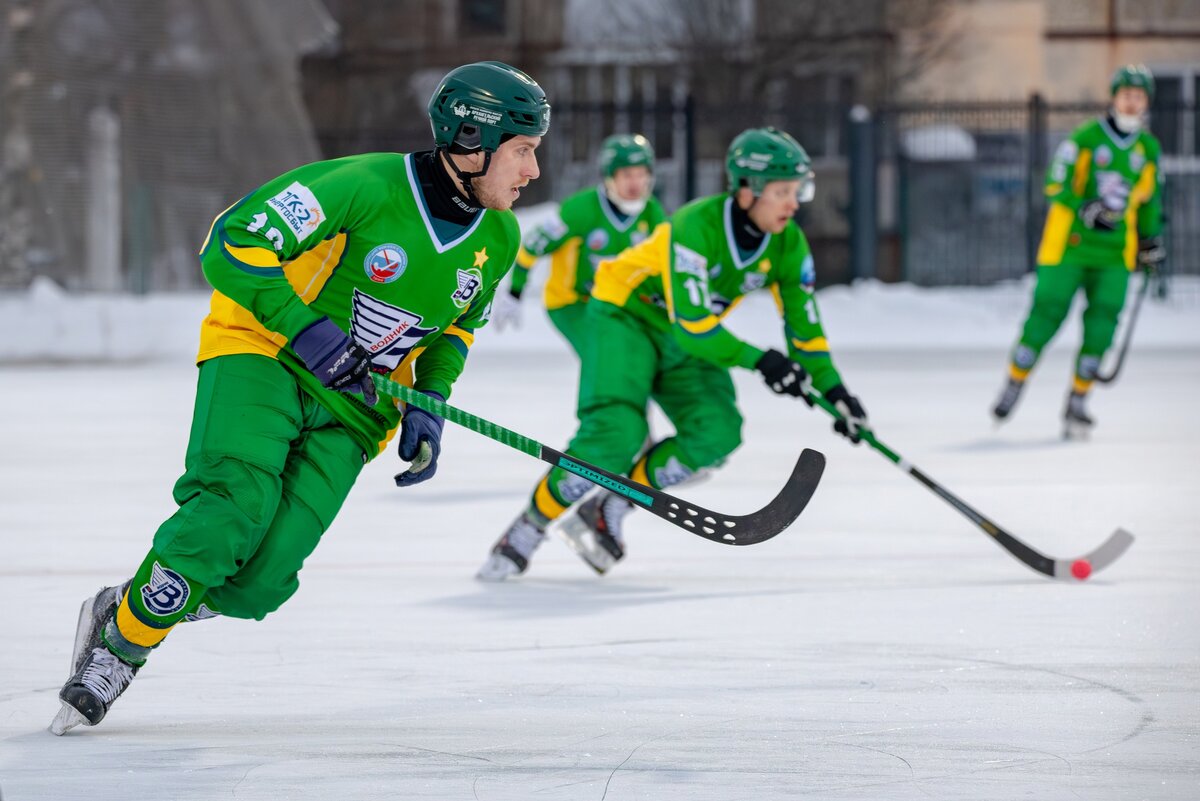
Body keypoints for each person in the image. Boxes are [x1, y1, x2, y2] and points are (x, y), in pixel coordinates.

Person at [49, 61, 550, 734]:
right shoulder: (362, 184)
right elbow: (231, 241)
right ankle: (121, 647)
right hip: (267, 354)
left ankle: (135, 600)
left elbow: (456, 327)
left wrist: (431, 399)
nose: (533, 172)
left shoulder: (498, 237)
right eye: (523, 151)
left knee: (261, 584)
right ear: (470, 141)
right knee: (229, 511)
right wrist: (309, 332)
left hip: (357, 406)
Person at [477, 127, 869, 581]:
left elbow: (806, 334)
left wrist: (835, 390)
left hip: (680, 332)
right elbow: (699, 329)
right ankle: (528, 528)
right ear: (746, 191)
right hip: (625, 314)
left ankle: (613, 505)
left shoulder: (789, 245)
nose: (793, 203)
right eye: (782, 192)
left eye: (798, 190)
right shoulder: (694, 226)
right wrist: (763, 361)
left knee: (717, 432)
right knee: (617, 434)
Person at [991, 64, 1163, 437]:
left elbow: (1149, 201)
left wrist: (1149, 241)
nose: (1132, 103)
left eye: (1139, 96)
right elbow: (1055, 182)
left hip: (1115, 252)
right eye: (1126, 95)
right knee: (1046, 314)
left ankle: (1079, 400)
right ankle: (1016, 380)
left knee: (1103, 323)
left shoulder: (1148, 149)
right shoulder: (1086, 137)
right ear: (1114, 97)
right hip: (1068, 247)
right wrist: (1085, 207)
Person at [490, 133, 667, 360]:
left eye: (642, 174)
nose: (636, 183)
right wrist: (516, 290)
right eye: (627, 175)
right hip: (572, 302)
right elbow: (534, 245)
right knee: (606, 354)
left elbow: (665, 258)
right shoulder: (579, 210)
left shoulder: (652, 213)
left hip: (619, 302)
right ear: (610, 176)